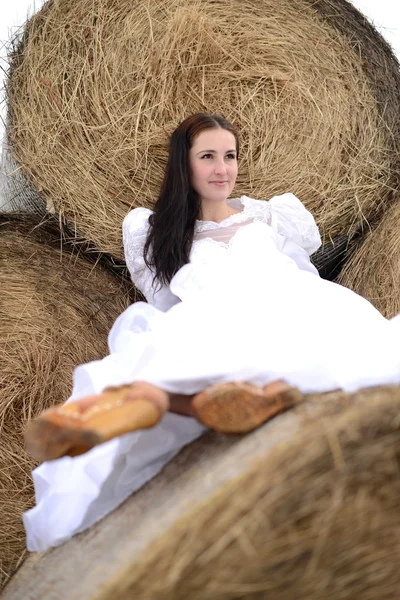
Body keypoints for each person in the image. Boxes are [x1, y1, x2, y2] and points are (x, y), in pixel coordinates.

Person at [23, 113, 400, 552]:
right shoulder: (153, 230)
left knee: (320, 352)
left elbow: (305, 273)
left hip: (291, 302)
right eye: (208, 157)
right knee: (189, 354)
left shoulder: (273, 215)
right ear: (185, 166)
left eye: (230, 156)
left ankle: (184, 402)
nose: (222, 169)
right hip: (211, 314)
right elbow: (163, 303)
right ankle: (137, 409)